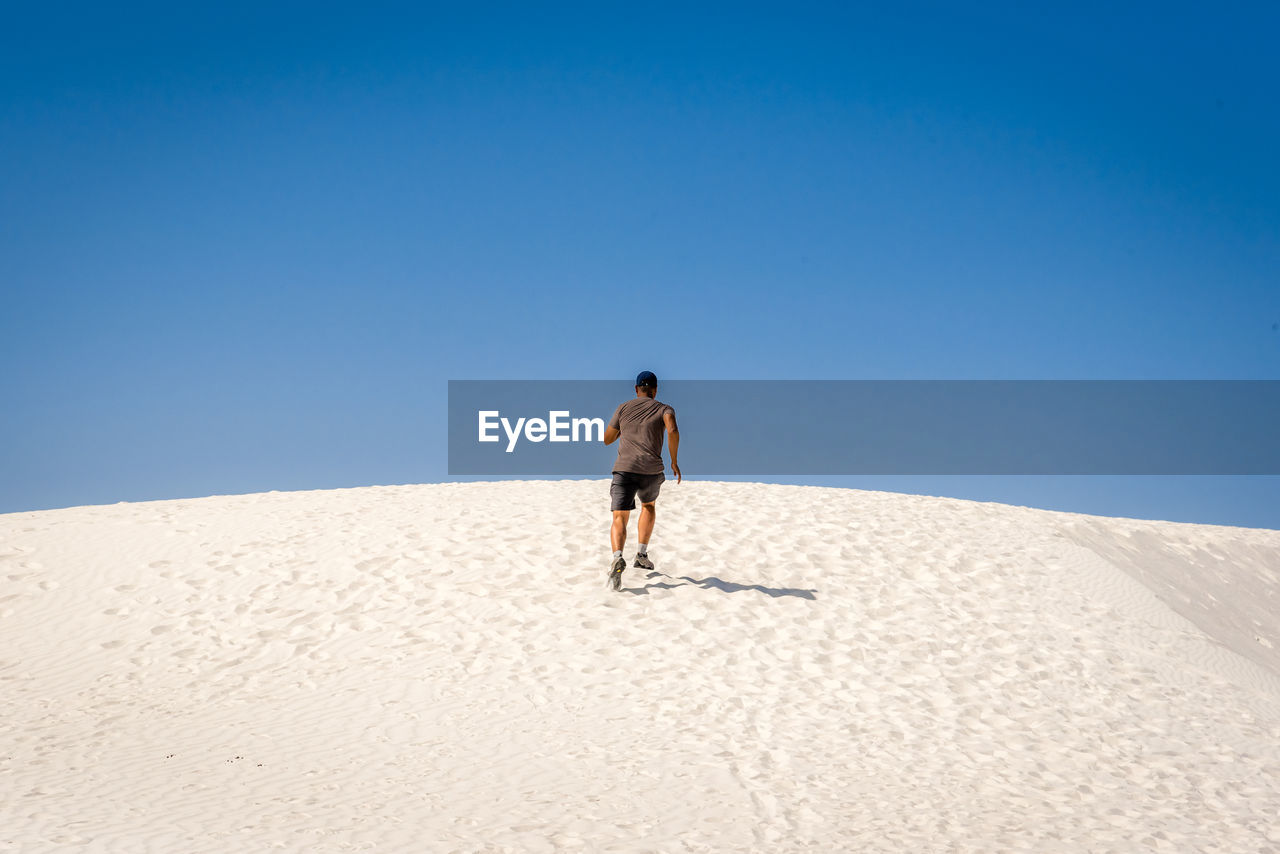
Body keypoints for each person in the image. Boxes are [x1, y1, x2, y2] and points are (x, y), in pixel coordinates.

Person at [602, 370, 681, 591]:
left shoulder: (623, 408)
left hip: (624, 469)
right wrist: (674, 461)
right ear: (655, 390)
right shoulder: (664, 408)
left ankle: (617, 556)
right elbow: (673, 429)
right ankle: (641, 554)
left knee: (620, 516)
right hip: (651, 470)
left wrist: (624, 429)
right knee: (648, 506)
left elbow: (607, 439)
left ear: (636, 389)